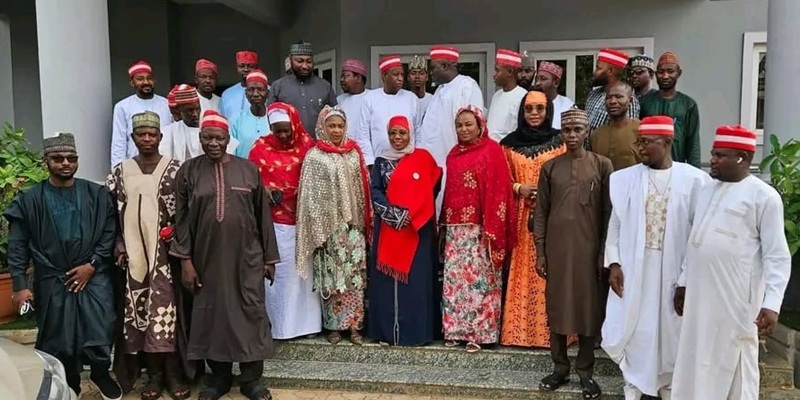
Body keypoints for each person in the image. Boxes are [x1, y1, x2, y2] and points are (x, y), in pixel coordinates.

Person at [672, 125, 792, 399]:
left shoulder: (764, 197)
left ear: (743, 158)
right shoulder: (706, 190)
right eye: (713, 154)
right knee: (695, 354)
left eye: (720, 155)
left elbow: (777, 255)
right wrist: (683, 282)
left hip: (736, 300)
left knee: (736, 358)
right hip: (700, 295)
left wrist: (772, 304)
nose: (712, 160)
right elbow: (695, 241)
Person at [170, 110, 279, 400]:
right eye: (208, 138)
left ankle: (252, 380)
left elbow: (262, 215)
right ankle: (218, 378)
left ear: (228, 139)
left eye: (219, 138)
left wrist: (269, 258)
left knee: (250, 314)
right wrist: (186, 261)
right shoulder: (188, 172)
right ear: (200, 138)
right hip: (206, 261)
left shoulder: (249, 169)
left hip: (247, 259)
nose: (213, 143)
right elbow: (181, 220)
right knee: (212, 316)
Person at [5, 133, 123, 400]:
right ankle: (69, 383)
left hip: (94, 275)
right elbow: (18, 246)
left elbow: (109, 232)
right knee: (59, 338)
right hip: (53, 278)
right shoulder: (30, 200)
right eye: (58, 159)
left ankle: (101, 374)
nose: (66, 163)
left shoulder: (96, 194)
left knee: (101, 328)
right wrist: (20, 287)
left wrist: (92, 265)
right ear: (46, 161)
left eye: (71, 158)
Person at [601, 116, 710, 400]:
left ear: (667, 142)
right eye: (638, 142)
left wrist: (686, 280)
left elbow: (699, 237)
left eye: (646, 142)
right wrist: (614, 263)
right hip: (634, 268)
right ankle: (632, 387)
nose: (639, 148)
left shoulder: (695, 181)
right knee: (635, 327)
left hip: (675, 269)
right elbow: (616, 223)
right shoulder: (624, 179)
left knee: (672, 329)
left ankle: (669, 386)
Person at [107, 111, 190, 399]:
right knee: (140, 317)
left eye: (151, 134)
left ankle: (173, 375)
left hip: (166, 260)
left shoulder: (176, 170)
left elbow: (186, 214)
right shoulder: (120, 172)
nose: (146, 139)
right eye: (141, 134)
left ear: (160, 137)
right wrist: (119, 245)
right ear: (132, 138)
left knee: (167, 316)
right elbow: (111, 215)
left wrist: (176, 238)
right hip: (133, 261)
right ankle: (153, 376)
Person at [534, 108, 613, 399]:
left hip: (589, 251)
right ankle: (559, 368)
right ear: (561, 134)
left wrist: (604, 252)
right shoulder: (550, 167)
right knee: (557, 308)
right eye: (567, 130)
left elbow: (609, 214)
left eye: (577, 130)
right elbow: (541, 212)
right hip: (557, 251)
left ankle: (586, 373)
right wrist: (540, 252)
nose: (572, 135)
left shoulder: (602, 165)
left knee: (588, 310)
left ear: (586, 132)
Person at [440, 105, 516, 353]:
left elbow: (500, 190)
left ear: (480, 125)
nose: (463, 129)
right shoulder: (453, 154)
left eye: (468, 124)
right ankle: (455, 330)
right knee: (455, 282)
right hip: (456, 232)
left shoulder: (492, 150)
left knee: (480, 282)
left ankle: (480, 333)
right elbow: (449, 193)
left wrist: (491, 227)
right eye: (459, 125)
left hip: (482, 229)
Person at [295, 105, 372, 345]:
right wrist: (318, 229)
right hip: (328, 229)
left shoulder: (354, 153)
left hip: (353, 229)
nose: (336, 130)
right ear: (322, 127)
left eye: (340, 126)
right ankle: (334, 326)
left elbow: (363, 189)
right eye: (331, 126)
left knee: (354, 278)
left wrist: (363, 221)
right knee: (331, 277)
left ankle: (355, 325)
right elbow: (309, 198)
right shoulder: (314, 156)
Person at [248, 102, 322, 340]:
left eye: (286, 130)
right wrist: (266, 190)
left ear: (295, 125)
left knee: (303, 276)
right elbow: (250, 181)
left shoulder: (308, 146)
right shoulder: (260, 148)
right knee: (279, 275)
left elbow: (318, 181)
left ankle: (307, 327)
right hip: (273, 223)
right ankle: (279, 328)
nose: (282, 135)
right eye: (276, 130)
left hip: (303, 220)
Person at [368, 115, 442, 346]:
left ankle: (416, 333)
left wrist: (413, 213)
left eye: (402, 132)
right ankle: (387, 333)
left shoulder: (423, 158)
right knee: (387, 284)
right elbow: (375, 191)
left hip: (417, 231)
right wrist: (394, 215)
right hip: (389, 228)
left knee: (416, 283)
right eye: (393, 133)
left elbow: (433, 185)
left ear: (410, 133)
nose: (397, 137)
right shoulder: (381, 162)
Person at [499, 90, 566, 348]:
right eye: (529, 109)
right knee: (522, 269)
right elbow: (500, 180)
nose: (534, 113)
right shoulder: (508, 145)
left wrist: (548, 194)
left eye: (540, 108)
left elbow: (569, 176)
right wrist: (519, 188)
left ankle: (554, 333)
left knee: (551, 268)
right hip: (521, 218)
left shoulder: (561, 141)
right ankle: (519, 333)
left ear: (548, 111)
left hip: (552, 216)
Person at [416, 45, 484, 213]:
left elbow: (474, 128)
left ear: (445, 66)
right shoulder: (439, 90)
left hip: (457, 161)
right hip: (435, 164)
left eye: (434, 68)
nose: (431, 72)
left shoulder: (467, 86)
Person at [355, 55, 420, 166]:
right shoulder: (370, 99)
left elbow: (418, 131)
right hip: (379, 162)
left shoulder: (411, 98)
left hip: (408, 161)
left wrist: (417, 157)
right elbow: (363, 134)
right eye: (395, 74)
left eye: (402, 75)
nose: (400, 78)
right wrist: (370, 162)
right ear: (384, 76)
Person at [640, 51, 701, 167]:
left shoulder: (688, 104)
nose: (665, 76)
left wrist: (695, 171)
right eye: (661, 72)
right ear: (656, 74)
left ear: (679, 73)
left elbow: (693, 143)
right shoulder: (644, 102)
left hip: (677, 167)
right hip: (648, 167)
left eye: (670, 71)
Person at [269, 41, 337, 136]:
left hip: (317, 143)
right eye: (300, 61)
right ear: (290, 59)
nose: (305, 66)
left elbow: (335, 117)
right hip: (288, 143)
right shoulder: (278, 86)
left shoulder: (325, 86)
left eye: (309, 61)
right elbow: (271, 118)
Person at [111, 61, 172, 167]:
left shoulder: (167, 104)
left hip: (164, 164)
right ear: (132, 83)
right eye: (140, 79)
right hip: (134, 165)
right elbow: (119, 142)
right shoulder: (122, 106)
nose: (146, 82)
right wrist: (118, 170)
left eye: (149, 78)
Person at [161, 88, 239, 161]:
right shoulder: (168, 132)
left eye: (197, 109)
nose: (195, 114)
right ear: (180, 111)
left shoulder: (211, 127)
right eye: (190, 110)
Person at [586, 49, 640, 135]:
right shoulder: (593, 94)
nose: (594, 72)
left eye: (598, 68)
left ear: (610, 71)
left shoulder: (627, 98)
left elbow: (628, 133)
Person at [590, 82, 642, 170]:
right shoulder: (596, 135)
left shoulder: (642, 130)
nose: (612, 101)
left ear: (630, 101)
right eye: (608, 97)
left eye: (619, 97)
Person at [487, 49, 527, 142]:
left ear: (509, 72)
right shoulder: (496, 95)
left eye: (497, 70)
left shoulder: (523, 96)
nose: (494, 74)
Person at [231, 70, 270, 158]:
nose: (255, 94)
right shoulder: (236, 120)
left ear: (267, 94)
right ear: (246, 94)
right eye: (251, 90)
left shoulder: (274, 118)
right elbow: (231, 153)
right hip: (242, 166)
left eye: (260, 90)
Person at [533, 61, 575, 129]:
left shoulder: (567, 106)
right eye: (536, 79)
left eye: (543, 79)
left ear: (556, 83)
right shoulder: (530, 103)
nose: (537, 83)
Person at [219, 50, 259, 120]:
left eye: (250, 66)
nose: (246, 69)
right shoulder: (227, 94)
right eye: (242, 66)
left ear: (256, 68)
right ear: (237, 68)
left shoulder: (266, 92)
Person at [337, 59, 370, 140]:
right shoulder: (339, 100)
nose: (341, 80)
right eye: (341, 76)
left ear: (358, 78)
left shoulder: (372, 98)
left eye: (345, 76)